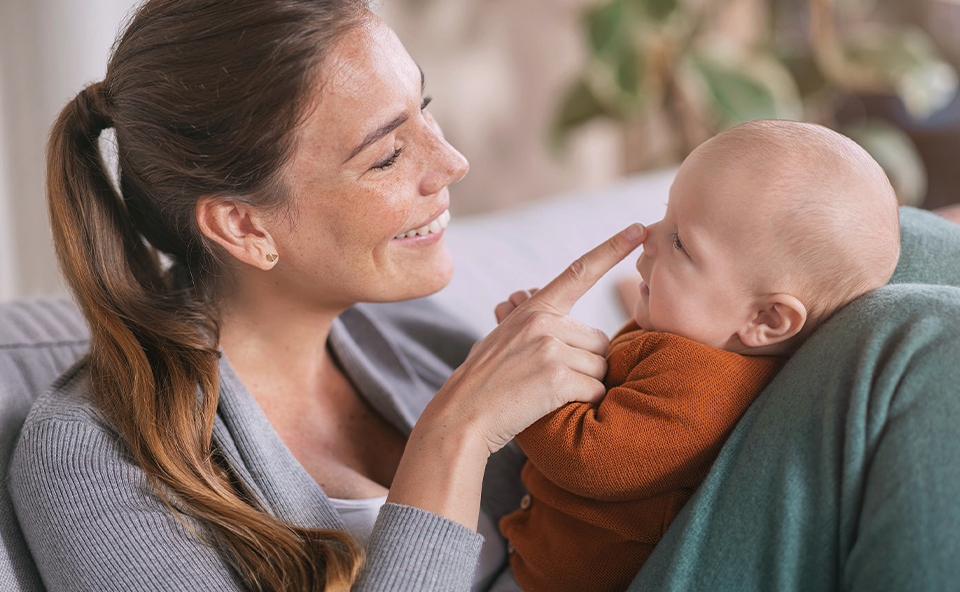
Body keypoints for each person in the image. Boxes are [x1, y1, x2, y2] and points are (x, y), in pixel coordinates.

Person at [8, 1, 648, 590]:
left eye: (425, 105)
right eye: (388, 154)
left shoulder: (409, 335)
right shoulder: (96, 458)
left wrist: (664, 344)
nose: (452, 161)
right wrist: (455, 436)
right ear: (245, 226)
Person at [493, 120, 901, 592]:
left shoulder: (704, 388)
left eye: (681, 242)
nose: (648, 235)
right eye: (665, 215)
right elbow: (614, 377)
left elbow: (590, 459)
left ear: (766, 319)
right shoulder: (689, 335)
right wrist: (557, 341)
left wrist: (524, 381)